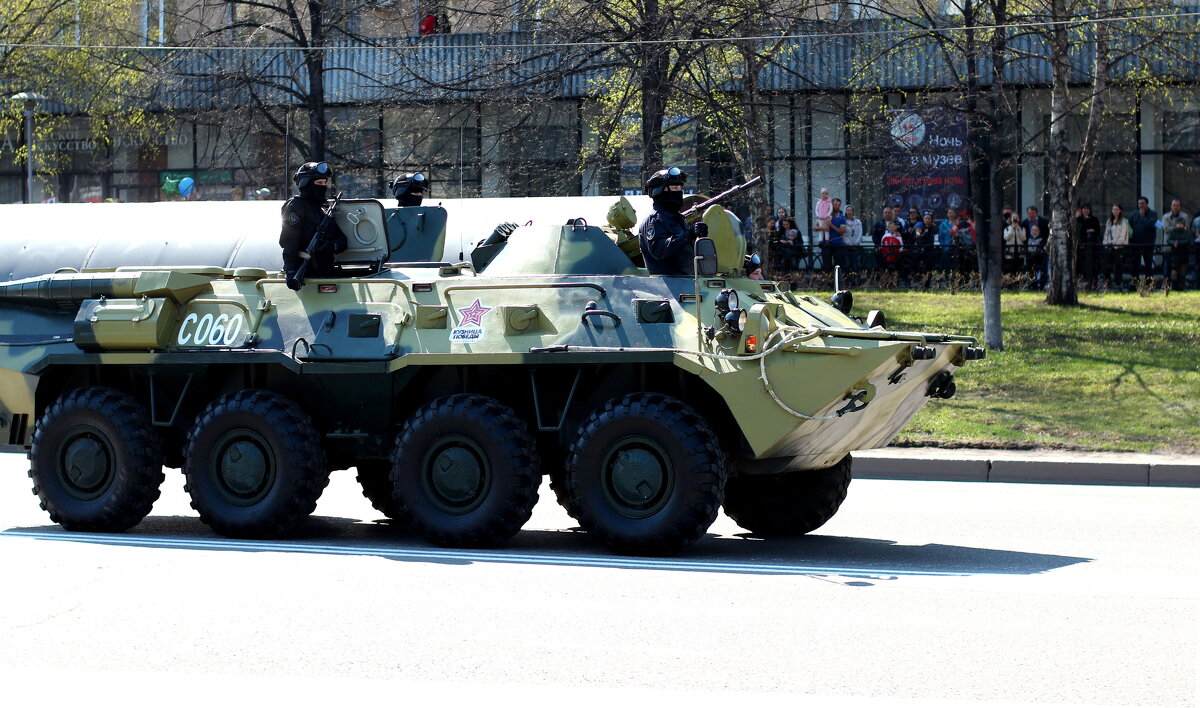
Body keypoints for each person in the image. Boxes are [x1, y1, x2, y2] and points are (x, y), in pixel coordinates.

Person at [280, 161, 348, 289]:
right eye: (318, 183)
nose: (323, 186)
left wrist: (330, 246)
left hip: (326, 272)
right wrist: (290, 271)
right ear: (307, 184)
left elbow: (343, 240)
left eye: (324, 183)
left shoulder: (324, 210)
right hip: (305, 273)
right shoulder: (296, 206)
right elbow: (289, 240)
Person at [638, 167, 707, 276]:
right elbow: (659, 250)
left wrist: (696, 236)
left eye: (680, 187)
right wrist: (688, 235)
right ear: (660, 190)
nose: (679, 191)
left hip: (685, 281)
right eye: (674, 187)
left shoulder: (678, 218)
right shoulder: (654, 220)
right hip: (665, 285)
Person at [1127, 196, 1157, 282]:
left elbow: (1150, 226)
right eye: (1139, 203)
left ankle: (1149, 283)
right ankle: (1134, 283)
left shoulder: (1153, 214)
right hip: (1135, 244)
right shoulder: (1134, 214)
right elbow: (1130, 227)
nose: (1141, 205)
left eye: (1143, 203)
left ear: (1147, 204)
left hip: (1148, 244)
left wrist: (1143, 217)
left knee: (1148, 265)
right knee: (1135, 265)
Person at [1161, 198, 1190, 288]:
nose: (1175, 207)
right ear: (1171, 206)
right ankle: (1166, 285)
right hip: (1168, 246)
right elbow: (1166, 229)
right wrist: (1178, 228)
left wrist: (1175, 228)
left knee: (1181, 268)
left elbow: (1186, 229)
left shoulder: (1185, 216)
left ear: (1180, 207)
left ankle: (1179, 285)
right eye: (1174, 205)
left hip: (1182, 247)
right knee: (1167, 267)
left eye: (1177, 205)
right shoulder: (1166, 217)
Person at [1103, 203, 1131, 289]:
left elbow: (1123, 235)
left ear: (1120, 211)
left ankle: (1118, 282)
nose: (1115, 211)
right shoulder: (1109, 221)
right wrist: (1106, 243)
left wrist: (1115, 244)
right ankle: (1108, 281)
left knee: (1118, 265)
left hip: (1119, 247)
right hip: (1109, 246)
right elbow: (1106, 234)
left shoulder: (1124, 221)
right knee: (1105, 264)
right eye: (1113, 209)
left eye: (1116, 209)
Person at [1075, 204, 1102, 286]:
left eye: (1087, 209)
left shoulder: (1094, 219)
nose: (1085, 211)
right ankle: (1081, 279)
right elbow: (1078, 232)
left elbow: (1097, 231)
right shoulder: (1078, 220)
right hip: (1080, 244)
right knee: (1079, 263)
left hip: (1091, 245)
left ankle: (1092, 280)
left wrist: (1091, 231)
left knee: (1091, 263)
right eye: (1084, 209)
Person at [842, 205, 864, 271]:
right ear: (845, 212)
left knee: (856, 264)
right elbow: (842, 234)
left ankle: (856, 279)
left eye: (851, 210)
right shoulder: (843, 222)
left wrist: (855, 243)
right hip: (846, 247)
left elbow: (860, 233)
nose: (849, 212)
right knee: (847, 264)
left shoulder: (858, 222)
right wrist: (849, 244)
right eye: (848, 210)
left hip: (856, 246)